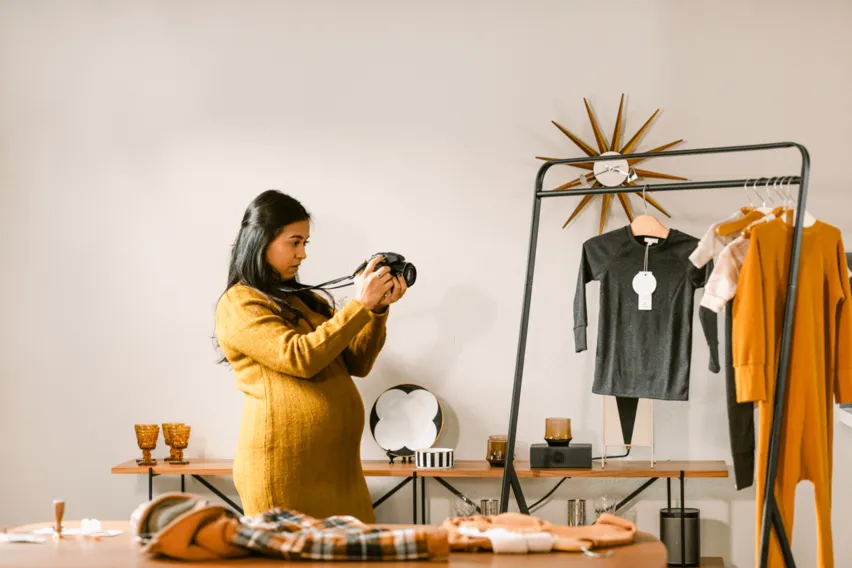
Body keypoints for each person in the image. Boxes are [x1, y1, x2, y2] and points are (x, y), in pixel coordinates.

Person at [214, 190, 407, 521]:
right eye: (294, 242)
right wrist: (358, 305)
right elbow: (300, 358)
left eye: (305, 243)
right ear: (261, 240)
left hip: (339, 471)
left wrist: (376, 310)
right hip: (283, 471)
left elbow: (358, 363)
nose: (302, 254)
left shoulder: (304, 301)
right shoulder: (240, 303)